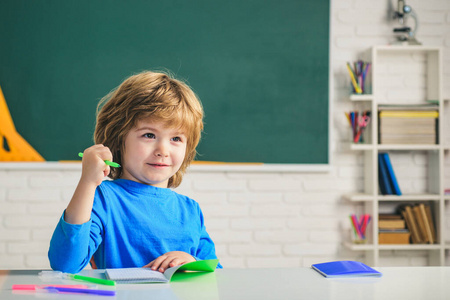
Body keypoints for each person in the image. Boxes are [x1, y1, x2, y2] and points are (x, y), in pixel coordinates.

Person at [48, 70, 221, 273]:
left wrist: (191, 261)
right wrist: (87, 182)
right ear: (119, 139)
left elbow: (216, 272)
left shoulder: (191, 210)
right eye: (149, 135)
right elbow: (65, 264)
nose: (163, 151)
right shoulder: (103, 199)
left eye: (176, 139)